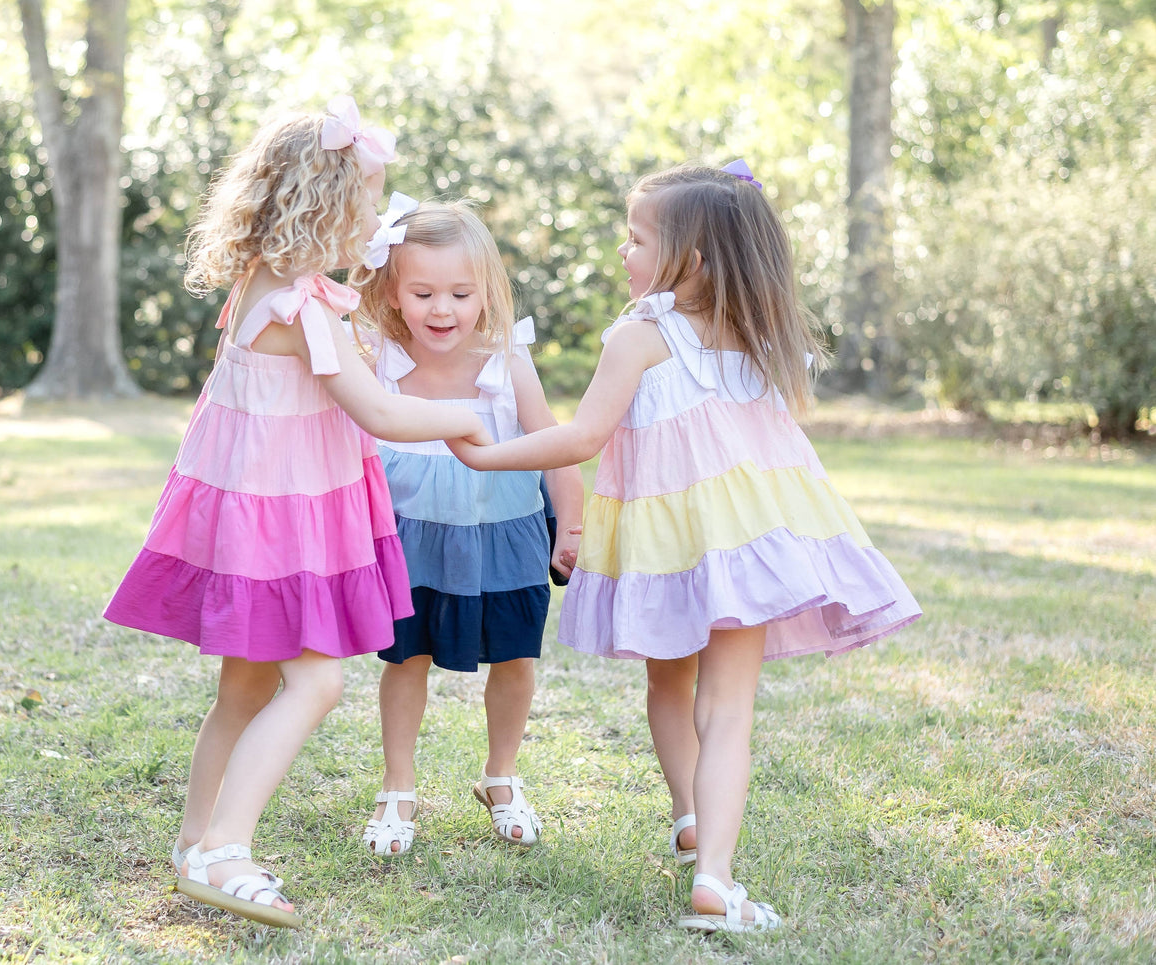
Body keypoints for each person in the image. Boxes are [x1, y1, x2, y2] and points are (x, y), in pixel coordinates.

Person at [448, 161, 921, 932]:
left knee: (672, 685)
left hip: (668, 540)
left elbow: (581, 434)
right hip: (749, 537)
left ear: (690, 259)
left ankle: (695, 830)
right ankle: (708, 862)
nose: (622, 251)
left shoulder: (639, 335)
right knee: (726, 707)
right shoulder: (765, 334)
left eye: (635, 238)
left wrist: (482, 452)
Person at [103, 98, 490, 929]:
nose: (379, 216)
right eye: (370, 197)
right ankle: (224, 851)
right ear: (325, 204)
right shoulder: (302, 308)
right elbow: (381, 413)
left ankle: (194, 842)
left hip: (255, 510)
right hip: (281, 522)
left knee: (243, 686)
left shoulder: (270, 283)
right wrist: (463, 417)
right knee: (314, 681)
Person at [348, 198, 583, 856]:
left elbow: (555, 443)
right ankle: (397, 786)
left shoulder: (505, 361)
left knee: (514, 656)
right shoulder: (377, 360)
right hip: (411, 537)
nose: (441, 309)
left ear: (486, 293)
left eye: (460, 292)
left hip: (501, 533)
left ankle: (500, 775)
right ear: (393, 293)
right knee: (405, 655)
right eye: (422, 292)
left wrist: (572, 524)